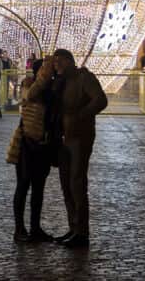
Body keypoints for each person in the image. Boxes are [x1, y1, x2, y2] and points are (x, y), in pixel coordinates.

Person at [31, 49, 108, 249]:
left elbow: (100, 100)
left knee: (77, 182)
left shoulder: (84, 78)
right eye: (54, 63)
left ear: (69, 61)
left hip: (79, 137)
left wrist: (81, 116)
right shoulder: (59, 81)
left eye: (59, 61)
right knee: (66, 183)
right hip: (61, 138)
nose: (56, 65)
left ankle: (82, 232)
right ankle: (73, 227)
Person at [13, 58, 55, 243]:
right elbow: (31, 100)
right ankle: (19, 229)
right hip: (27, 143)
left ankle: (35, 227)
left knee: (38, 188)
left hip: (43, 145)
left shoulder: (51, 90)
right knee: (23, 185)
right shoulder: (32, 87)